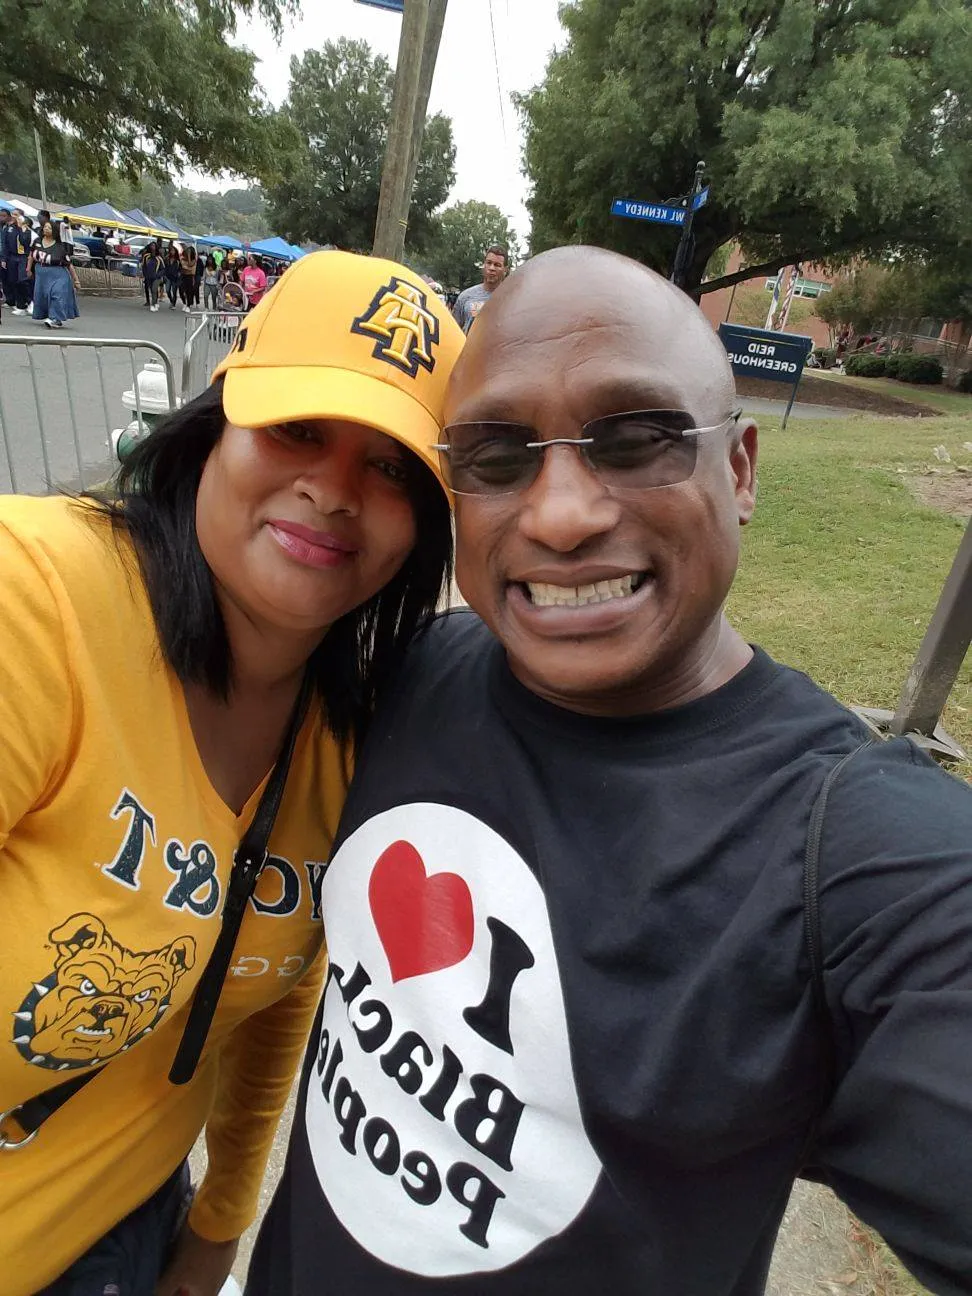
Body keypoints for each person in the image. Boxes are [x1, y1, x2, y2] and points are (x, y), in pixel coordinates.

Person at [248, 246, 972, 1296]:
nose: (561, 514)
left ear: (740, 470)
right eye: (496, 454)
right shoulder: (418, 671)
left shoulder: (852, 859)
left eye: (637, 440)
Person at [0, 250, 465, 1296]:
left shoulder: (352, 738)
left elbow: (274, 984)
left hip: (132, 1233)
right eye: (297, 428)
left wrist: (219, 1223)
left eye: (392, 466)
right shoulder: (32, 607)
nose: (334, 491)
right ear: (215, 424)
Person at [29, 219, 81, 328]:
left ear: (55, 231)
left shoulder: (59, 247)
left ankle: (54, 318)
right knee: (43, 296)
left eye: (49, 228)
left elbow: (69, 264)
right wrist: (28, 269)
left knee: (56, 295)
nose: (46, 229)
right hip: (42, 274)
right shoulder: (37, 241)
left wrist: (76, 280)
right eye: (45, 227)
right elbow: (31, 256)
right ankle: (53, 317)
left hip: (58, 274)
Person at [451, 243, 508, 333]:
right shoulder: (466, 296)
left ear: (505, 270)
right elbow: (453, 330)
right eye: (489, 263)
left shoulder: (512, 298)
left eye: (497, 265)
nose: (492, 268)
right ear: (484, 265)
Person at [3, 213, 34, 313]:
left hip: (23, 256)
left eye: (17, 216)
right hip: (12, 257)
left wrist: (21, 229)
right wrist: (4, 259)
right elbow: (5, 244)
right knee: (13, 280)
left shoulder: (27, 231)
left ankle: (30, 301)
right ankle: (21, 305)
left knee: (22, 280)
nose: (15, 217)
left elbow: (24, 241)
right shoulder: (10, 228)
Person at [141, 240, 165, 311]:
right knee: (152, 290)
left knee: (154, 289)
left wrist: (158, 275)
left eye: (154, 246)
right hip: (148, 277)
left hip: (157, 277)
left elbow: (163, 269)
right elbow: (144, 266)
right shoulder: (146, 256)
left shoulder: (159, 258)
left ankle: (153, 304)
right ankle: (155, 301)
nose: (152, 247)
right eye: (151, 245)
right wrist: (144, 274)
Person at [179, 243, 198, 311]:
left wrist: (189, 256)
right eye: (187, 251)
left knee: (188, 291)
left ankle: (188, 305)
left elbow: (190, 265)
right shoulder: (182, 258)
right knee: (181, 290)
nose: (187, 253)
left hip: (190, 276)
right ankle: (184, 303)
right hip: (183, 276)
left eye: (189, 252)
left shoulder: (194, 260)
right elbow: (183, 267)